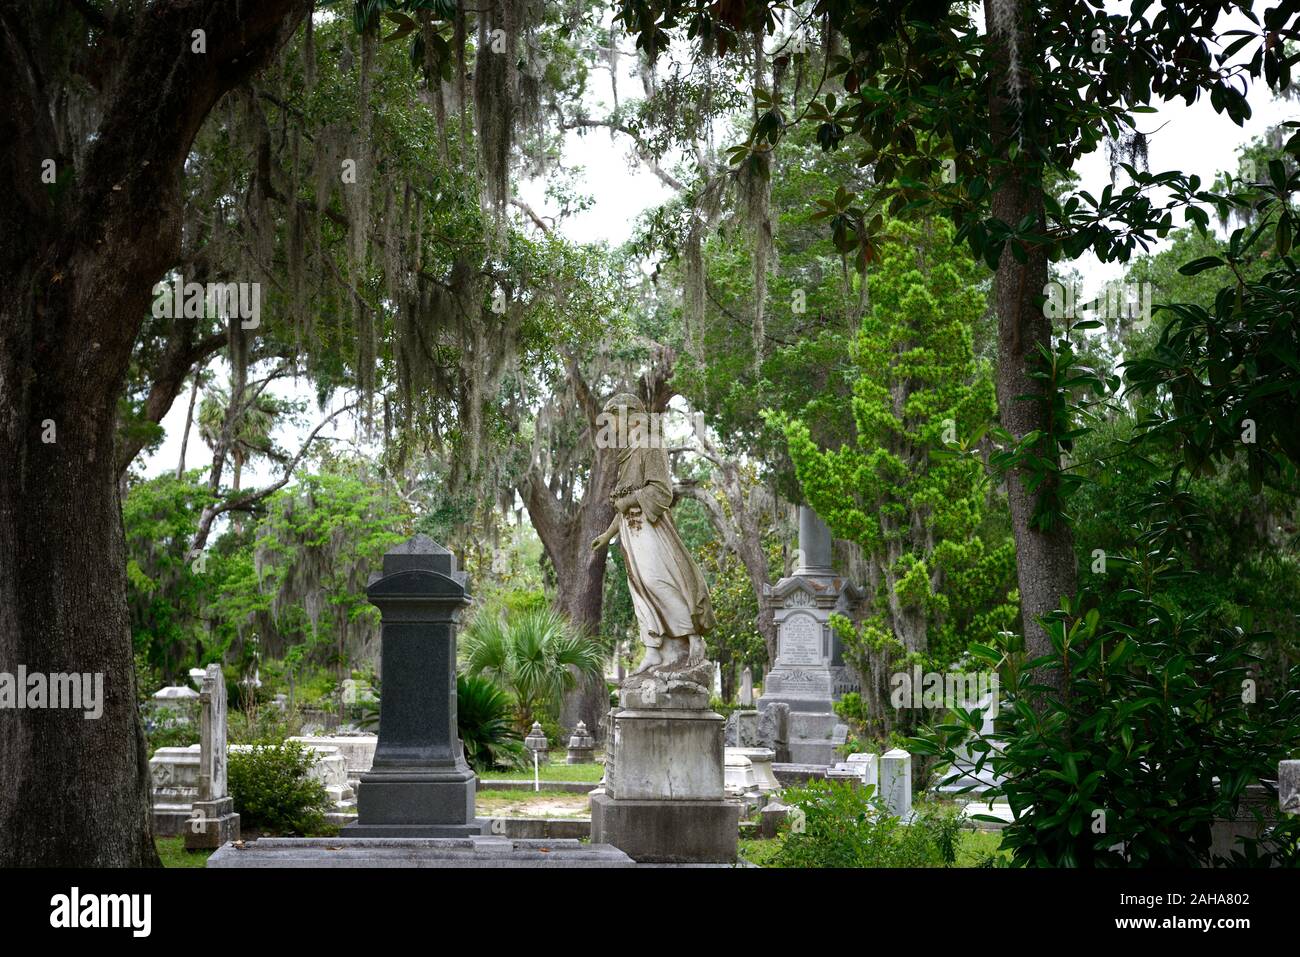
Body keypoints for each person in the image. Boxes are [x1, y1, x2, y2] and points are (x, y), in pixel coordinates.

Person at [590, 392, 714, 675]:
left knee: (657, 581)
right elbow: (622, 505)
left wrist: (629, 501)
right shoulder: (628, 452)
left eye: (614, 418)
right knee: (640, 589)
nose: (612, 426)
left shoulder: (651, 444)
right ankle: (654, 650)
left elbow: (662, 491)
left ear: (631, 415)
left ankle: (692, 636)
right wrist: (608, 534)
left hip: (650, 526)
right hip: (629, 532)